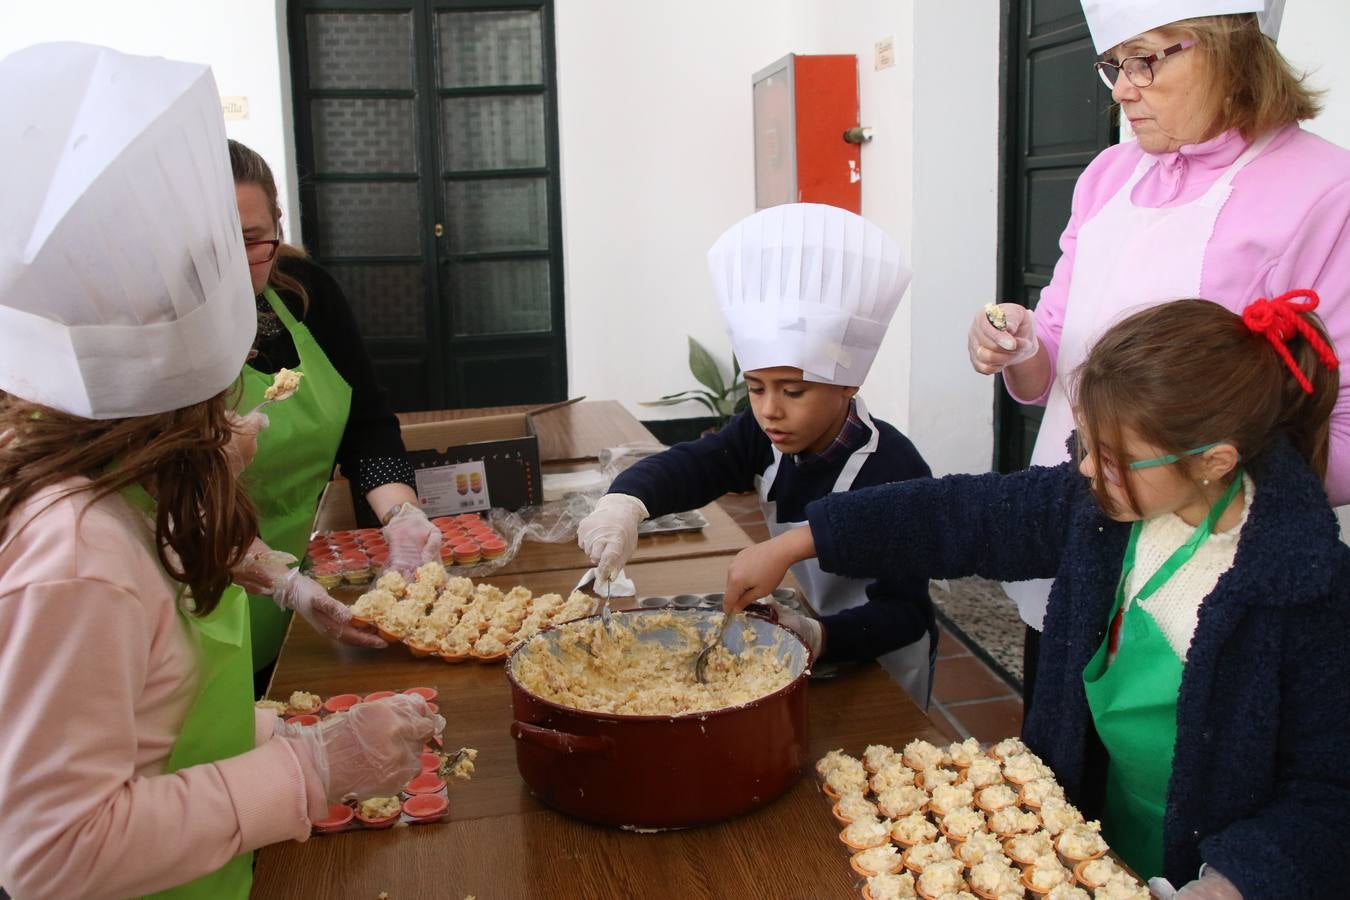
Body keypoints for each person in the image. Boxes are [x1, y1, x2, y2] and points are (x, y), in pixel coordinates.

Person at [0, 44, 441, 899]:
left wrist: (285, 596)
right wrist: (310, 767)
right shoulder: (79, 561)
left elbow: (157, 728)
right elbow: (52, 854)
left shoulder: (126, 489)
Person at [726, 294, 1350, 895]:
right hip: (1087, 820)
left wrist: (1230, 884)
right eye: (1087, 444)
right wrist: (802, 540)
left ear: (1214, 462)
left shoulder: (1306, 586)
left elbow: (1328, 790)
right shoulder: (1099, 508)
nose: (1087, 469)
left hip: (1216, 855)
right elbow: (960, 514)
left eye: (1112, 458)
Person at [966, 0, 1350, 705]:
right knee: (1056, 727)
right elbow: (1053, 366)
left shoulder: (1327, 191)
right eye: (1114, 64)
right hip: (1076, 513)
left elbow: (1343, 426)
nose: (1120, 89)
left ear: (1231, 47)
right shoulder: (1110, 175)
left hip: (1199, 570)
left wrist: (1193, 483)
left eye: (1144, 60)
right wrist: (1018, 344)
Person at [577, 203, 938, 705]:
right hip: (811, 636)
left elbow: (906, 612)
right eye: (756, 387)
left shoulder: (895, 469)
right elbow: (697, 464)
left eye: (793, 391)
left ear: (847, 384)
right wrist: (626, 502)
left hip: (882, 657)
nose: (770, 411)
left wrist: (818, 636)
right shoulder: (763, 434)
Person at [226, 139, 442, 683]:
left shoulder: (307, 294)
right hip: (204, 592)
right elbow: (173, 496)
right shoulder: (160, 333)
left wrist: (402, 516)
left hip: (308, 587)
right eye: (215, 243)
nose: (235, 263)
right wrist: (280, 581)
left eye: (252, 240)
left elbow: (366, 425)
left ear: (278, 223)